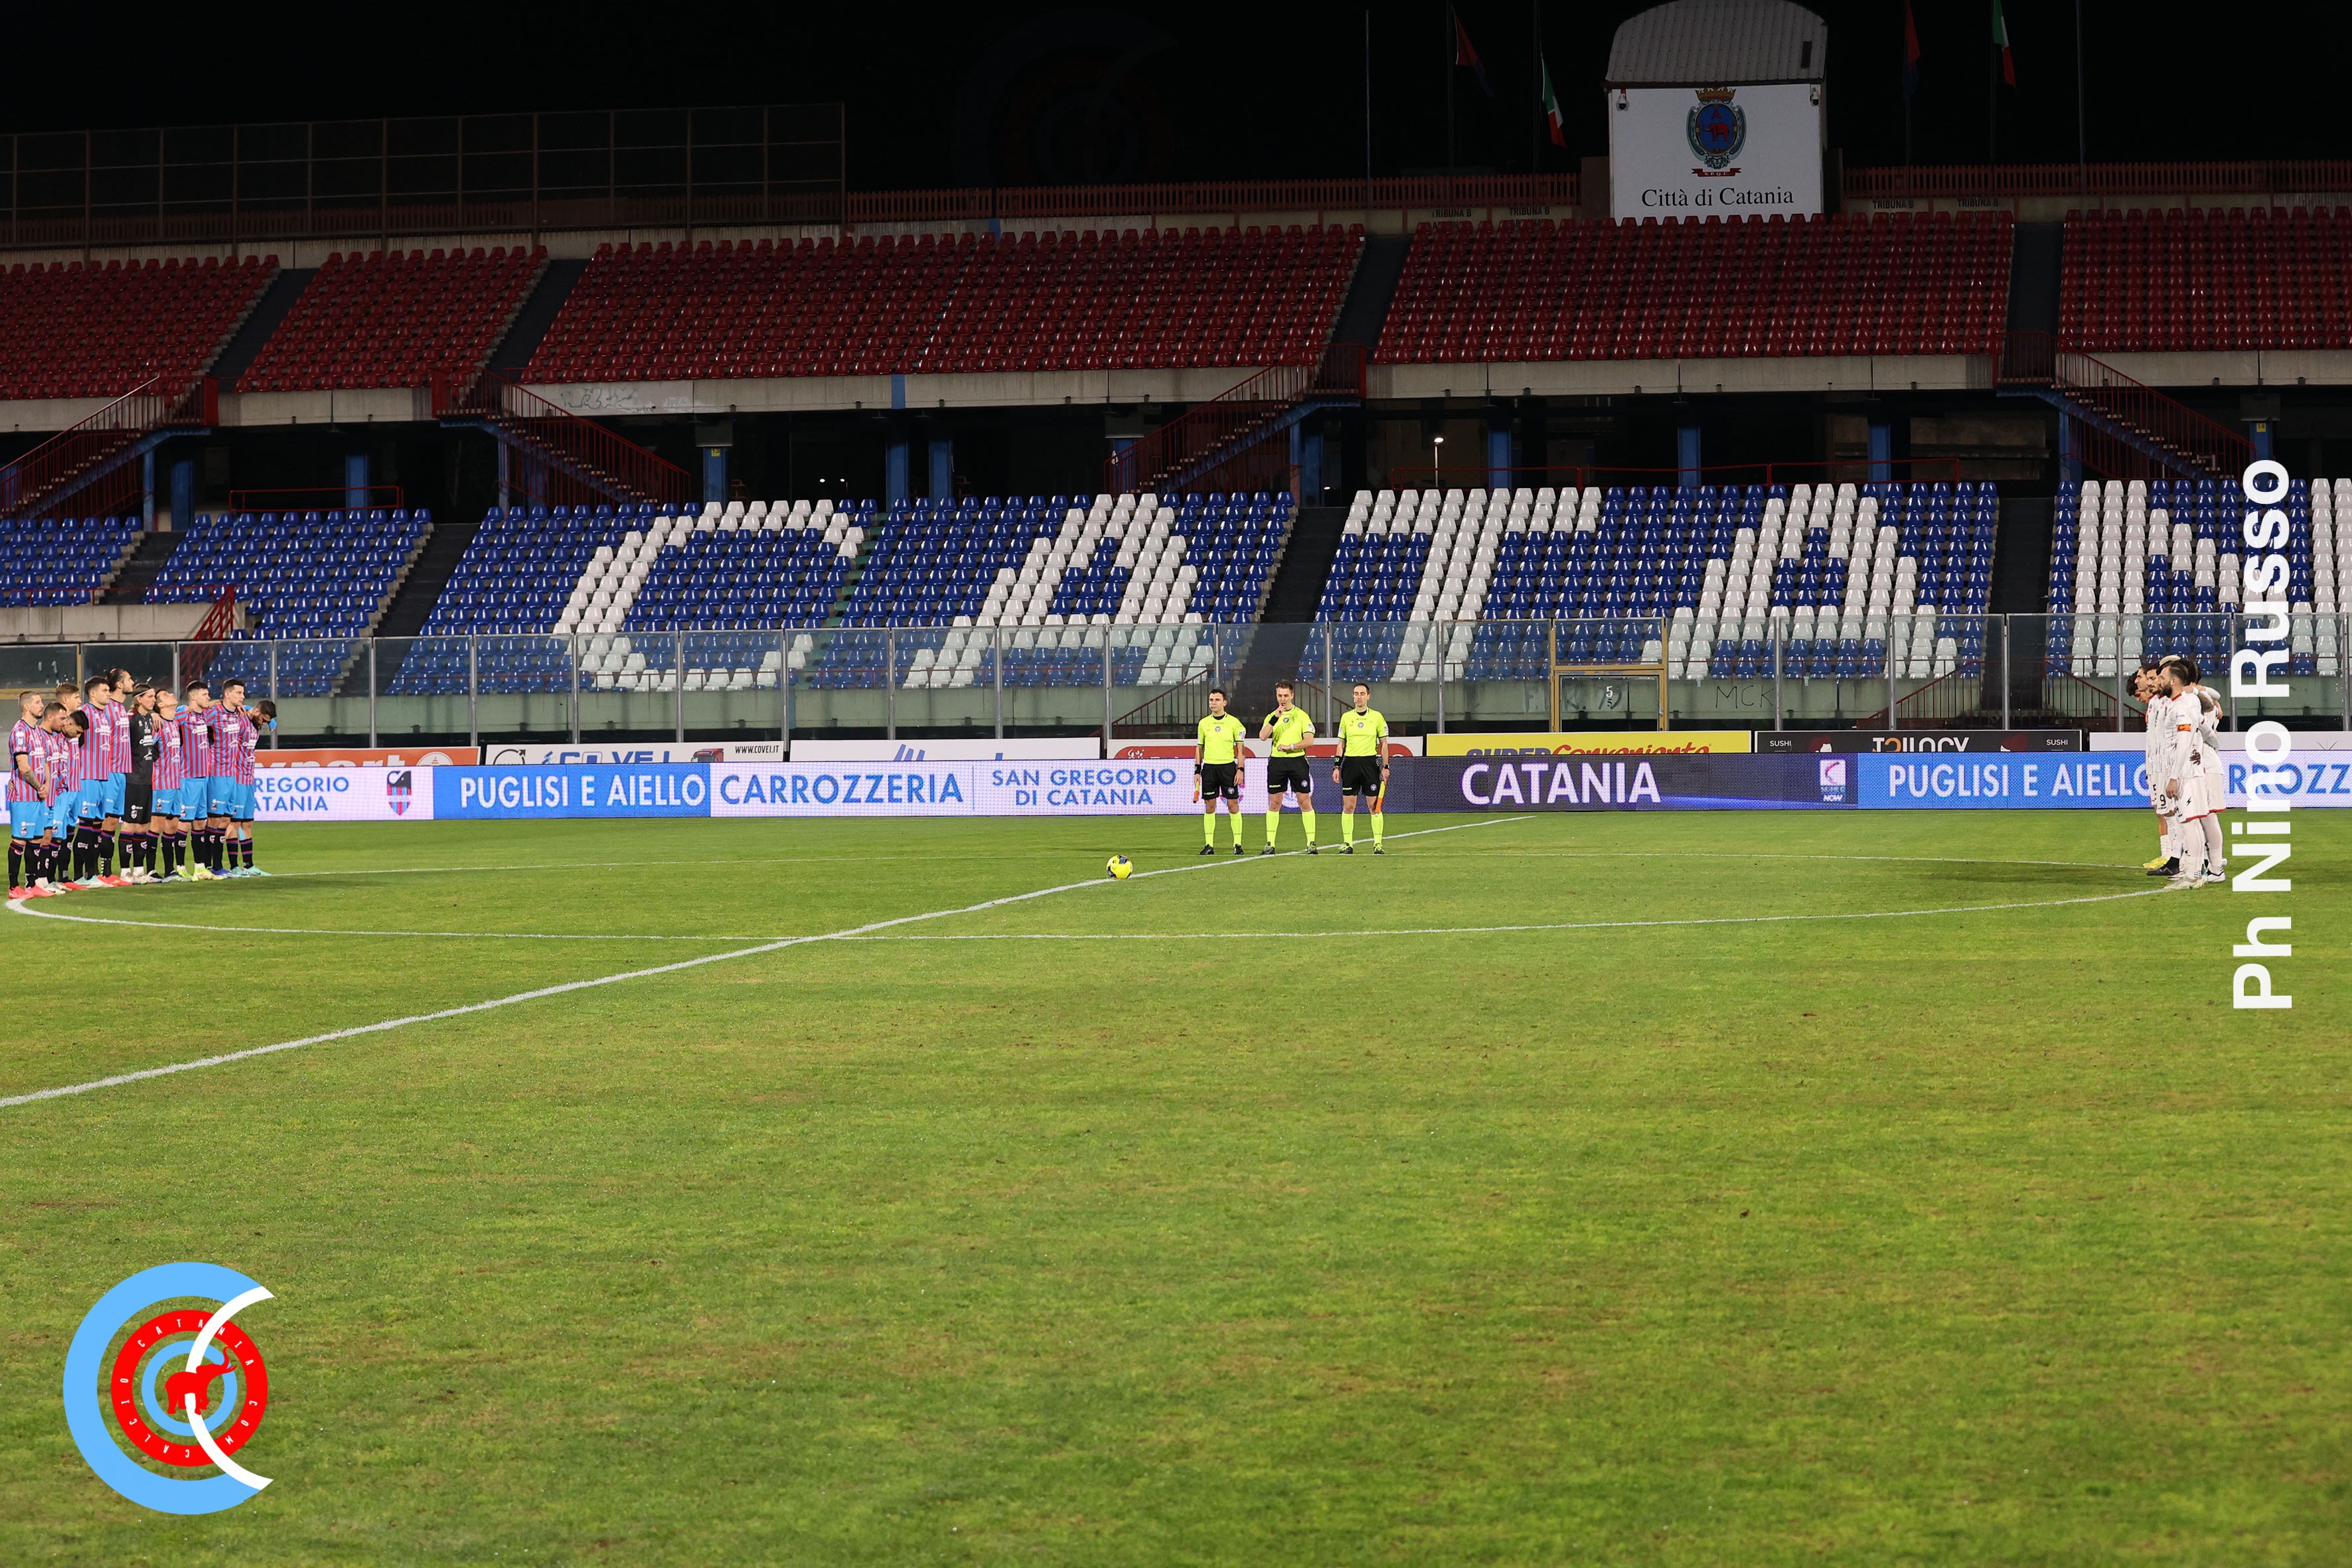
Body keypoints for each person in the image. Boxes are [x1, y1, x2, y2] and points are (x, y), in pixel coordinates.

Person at [2168, 655, 2229, 888]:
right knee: (2201, 817)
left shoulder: (2194, 699)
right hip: (2202, 760)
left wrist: (2209, 744)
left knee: (2207, 817)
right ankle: (2206, 865)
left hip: (2205, 763)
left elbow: (2205, 722)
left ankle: (2215, 867)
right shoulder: (2197, 698)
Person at [2154, 661, 2216, 891]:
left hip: (2186, 774)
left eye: (2162, 678)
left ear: (2173, 681)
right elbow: (2204, 729)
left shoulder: (2181, 706)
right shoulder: (2182, 702)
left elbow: (2183, 741)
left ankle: (2193, 876)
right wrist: (2211, 744)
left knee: (2190, 823)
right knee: (2190, 822)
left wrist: (2174, 777)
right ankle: (2192, 873)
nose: (2159, 682)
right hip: (2187, 771)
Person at [1259, 681, 1317, 854]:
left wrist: (1290, 747)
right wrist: (1275, 718)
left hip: (1297, 761)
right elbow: (1263, 736)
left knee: (1304, 801)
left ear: (1292, 695)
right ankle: (1270, 844)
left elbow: (1309, 741)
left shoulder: (1302, 716)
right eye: (1280, 696)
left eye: (1286, 695)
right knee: (1275, 803)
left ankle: (1311, 843)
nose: (1282, 699)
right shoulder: (1272, 716)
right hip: (1277, 762)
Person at [1331, 682, 1390, 854]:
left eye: (1362, 694)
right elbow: (1341, 744)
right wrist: (1337, 766)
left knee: (1374, 806)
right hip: (1350, 764)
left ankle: (1378, 844)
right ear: (1353, 696)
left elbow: (1384, 744)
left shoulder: (1377, 717)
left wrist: (1385, 766)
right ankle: (1347, 844)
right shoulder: (1346, 717)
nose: (1359, 697)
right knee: (1348, 806)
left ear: (1368, 696)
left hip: (1369, 764)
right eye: (1356, 694)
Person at [9, 689, 54, 898]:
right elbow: (24, 767)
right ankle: (13, 887)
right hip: (24, 796)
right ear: (27, 706)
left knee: (36, 840)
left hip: (38, 795)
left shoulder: (37, 731)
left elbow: (44, 762)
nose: (41, 705)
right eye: (37, 702)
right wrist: (39, 786)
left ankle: (32, 884)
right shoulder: (20, 731)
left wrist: (46, 785)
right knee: (20, 840)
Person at [1194, 686, 1249, 856]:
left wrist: (1240, 769)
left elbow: (1241, 749)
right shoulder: (1204, 723)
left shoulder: (1234, 723)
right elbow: (1199, 748)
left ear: (1224, 703)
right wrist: (1197, 770)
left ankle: (1238, 844)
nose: (1213, 703)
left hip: (1228, 768)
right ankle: (1209, 845)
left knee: (1233, 805)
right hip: (1209, 768)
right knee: (1209, 806)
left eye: (1217, 700)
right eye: (1211, 700)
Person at [178, 680, 224, 880]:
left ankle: (200, 867)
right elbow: (165, 716)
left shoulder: (206, 716)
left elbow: (224, 706)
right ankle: (179, 867)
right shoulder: (183, 714)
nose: (208, 697)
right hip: (187, 778)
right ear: (193, 697)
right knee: (184, 824)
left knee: (200, 824)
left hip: (203, 778)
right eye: (205, 694)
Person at [2134, 661, 2177, 877]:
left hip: (2169, 767)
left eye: (2153, 678)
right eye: (2149, 678)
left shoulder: (2172, 702)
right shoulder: (2155, 703)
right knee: (2165, 812)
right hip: (2156, 766)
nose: (2149, 682)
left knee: (2174, 814)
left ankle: (2183, 858)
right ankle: (2172, 857)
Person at [216, 679, 264, 876]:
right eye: (239, 693)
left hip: (248, 780)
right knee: (233, 823)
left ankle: (249, 865)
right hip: (234, 779)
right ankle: (234, 865)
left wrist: (250, 709)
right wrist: (248, 708)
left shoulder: (254, 724)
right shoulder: (239, 718)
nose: (243, 697)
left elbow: (268, 717)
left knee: (248, 823)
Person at [118, 684, 160, 883]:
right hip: (133, 779)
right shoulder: (130, 719)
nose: (154, 700)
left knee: (143, 826)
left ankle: (139, 871)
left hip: (147, 779)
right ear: (139, 699)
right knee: (129, 825)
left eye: (154, 697)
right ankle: (125, 872)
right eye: (150, 696)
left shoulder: (149, 719)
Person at [150, 685, 189, 881]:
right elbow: (145, 749)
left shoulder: (176, 722)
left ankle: (169, 870)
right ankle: (149, 870)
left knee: (172, 828)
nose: (171, 694)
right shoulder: (157, 725)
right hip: (161, 783)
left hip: (176, 783)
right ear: (160, 705)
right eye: (165, 695)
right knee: (155, 828)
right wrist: (152, 714)